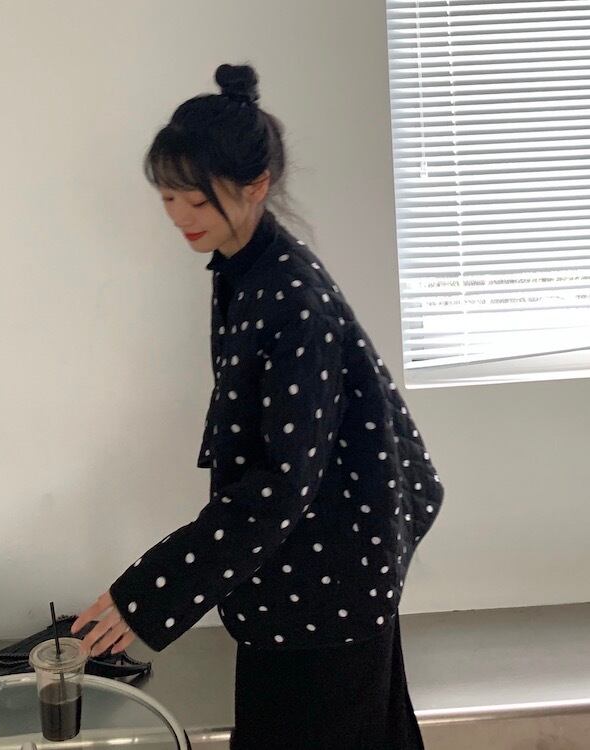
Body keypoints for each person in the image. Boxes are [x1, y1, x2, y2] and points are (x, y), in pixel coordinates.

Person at [71, 62, 444, 749]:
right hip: (311, 579)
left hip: (328, 594)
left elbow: (280, 483)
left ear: (256, 186)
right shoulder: (247, 266)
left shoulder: (291, 299)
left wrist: (147, 595)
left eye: (197, 201)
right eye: (168, 197)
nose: (179, 217)